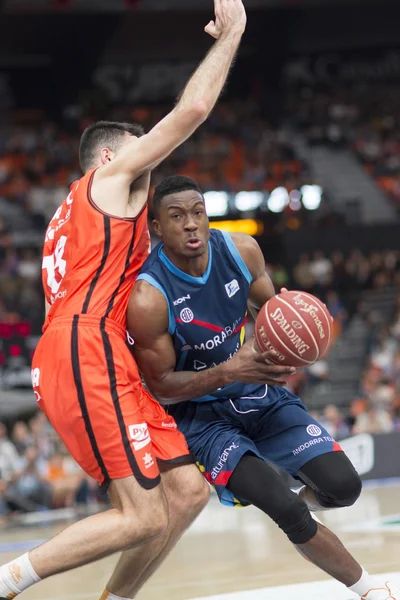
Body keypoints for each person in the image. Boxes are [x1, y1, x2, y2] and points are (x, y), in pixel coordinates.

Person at [0, 2, 252, 599]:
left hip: (89, 344)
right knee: (140, 514)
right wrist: (232, 36)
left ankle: (116, 598)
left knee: (188, 493)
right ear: (111, 159)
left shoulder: (74, 213)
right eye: (141, 151)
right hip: (85, 344)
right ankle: (8, 579)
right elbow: (191, 110)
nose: (152, 161)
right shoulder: (106, 183)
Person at [127, 174, 399, 600]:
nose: (192, 224)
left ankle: (272, 490)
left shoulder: (241, 251)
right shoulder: (149, 298)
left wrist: (295, 322)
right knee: (287, 510)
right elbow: (160, 388)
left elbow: (268, 312)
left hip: (259, 396)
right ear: (157, 228)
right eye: (177, 217)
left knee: (344, 488)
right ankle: (369, 590)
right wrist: (228, 371)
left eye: (198, 212)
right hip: (201, 418)